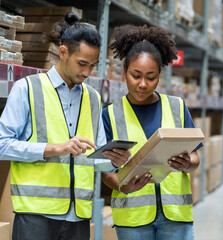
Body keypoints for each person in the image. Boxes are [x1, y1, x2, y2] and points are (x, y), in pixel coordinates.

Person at [0, 13, 130, 240]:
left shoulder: (93, 98)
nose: (87, 72)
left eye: (92, 65)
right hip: (35, 215)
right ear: (63, 52)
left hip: (78, 217)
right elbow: (2, 145)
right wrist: (55, 148)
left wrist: (112, 160)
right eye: (82, 63)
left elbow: (93, 157)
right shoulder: (26, 89)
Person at [101, 24, 203, 240]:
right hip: (132, 218)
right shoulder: (110, 114)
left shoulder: (176, 107)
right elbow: (105, 171)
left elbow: (195, 157)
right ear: (125, 72)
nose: (143, 84)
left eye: (151, 77)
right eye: (136, 75)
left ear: (160, 76)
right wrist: (123, 186)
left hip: (175, 217)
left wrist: (187, 164)